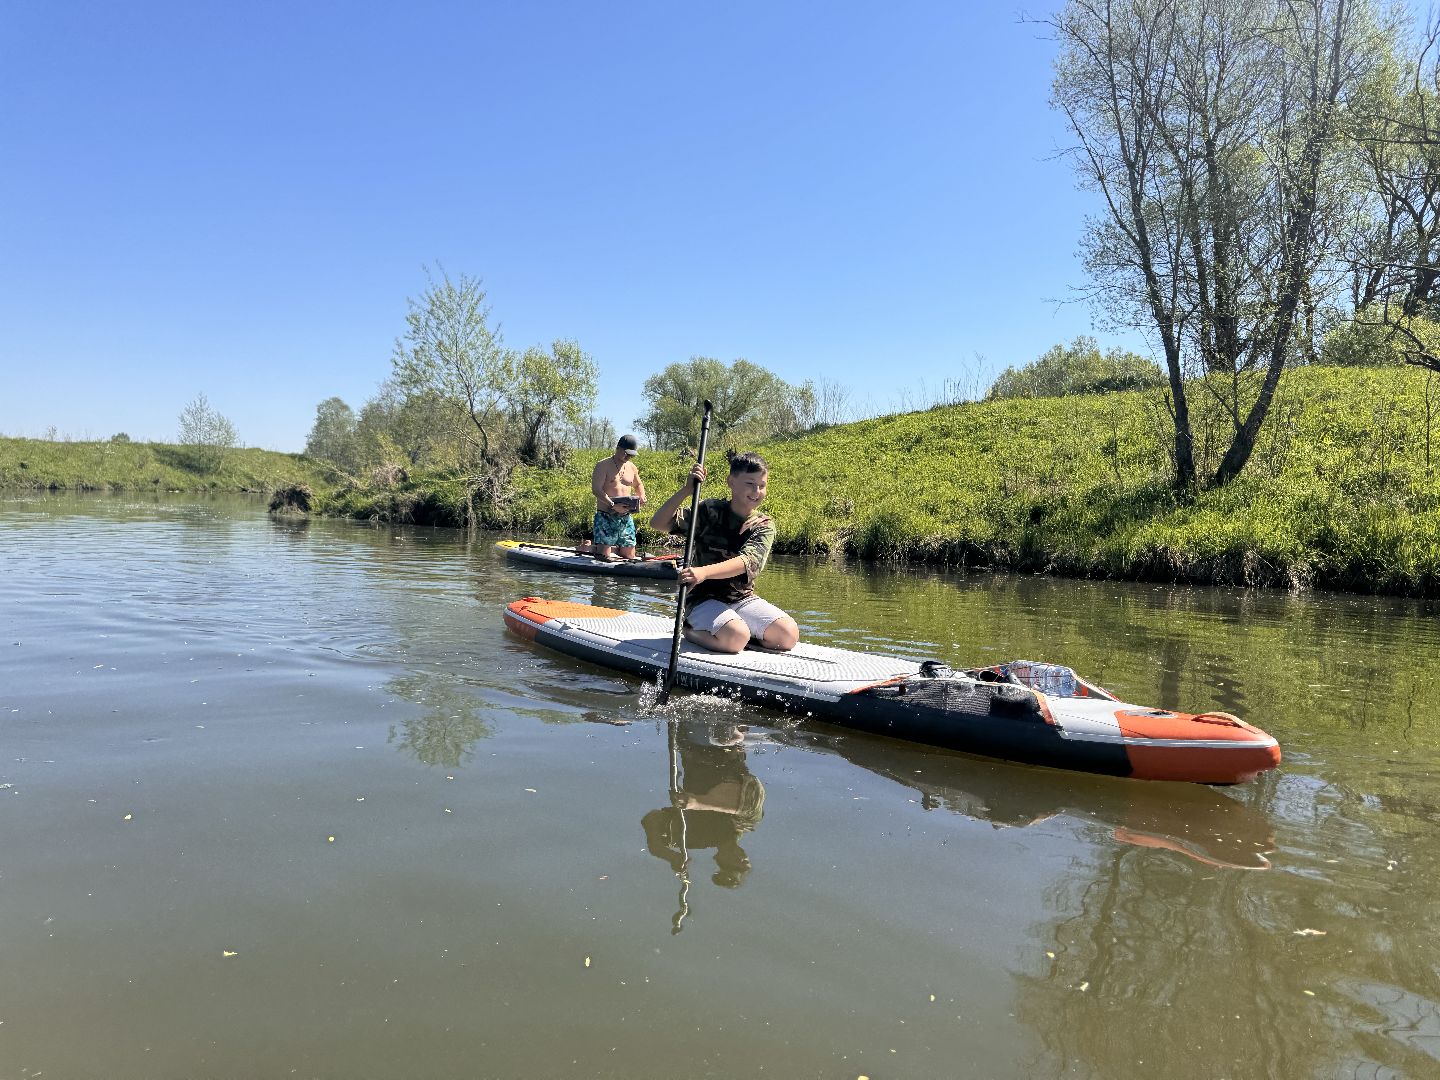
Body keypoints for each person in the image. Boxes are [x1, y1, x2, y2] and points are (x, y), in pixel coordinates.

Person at [649, 451, 799, 653]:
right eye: (750, 483)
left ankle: (733, 636)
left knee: (788, 635)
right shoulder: (710, 510)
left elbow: (747, 562)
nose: (756, 491)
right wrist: (686, 490)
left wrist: (703, 572)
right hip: (701, 598)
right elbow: (657, 523)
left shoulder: (763, 525)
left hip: (740, 599)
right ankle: (691, 631)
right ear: (731, 482)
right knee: (736, 636)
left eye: (762, 485)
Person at [589, 434, 647, 561]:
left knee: (629, 556)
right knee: (603, 557)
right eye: (626, 453)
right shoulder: (602, 465)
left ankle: (600, 548)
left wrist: (642, 495)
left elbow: (638, 484)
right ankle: (591, 548)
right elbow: (596, 490)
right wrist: (612, 505)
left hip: (625, 518)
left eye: (631, 454)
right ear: (618, 448)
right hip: (606, 515)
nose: (628, 457)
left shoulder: (632, 467)